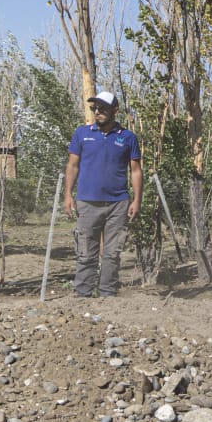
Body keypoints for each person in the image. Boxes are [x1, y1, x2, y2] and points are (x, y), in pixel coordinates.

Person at [64, 91, 142, 297]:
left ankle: (108, 295)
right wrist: (68, 195)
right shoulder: (82, 134)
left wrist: (136, 200)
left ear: (115, 110)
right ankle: (83, 295)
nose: (97, 112)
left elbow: (135, 170)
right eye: (94, 108)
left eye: (102, 108)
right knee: (85, 252)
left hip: (118, 203)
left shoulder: (127, 137)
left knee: (112, 253)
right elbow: (72, 166)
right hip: (87, 202)